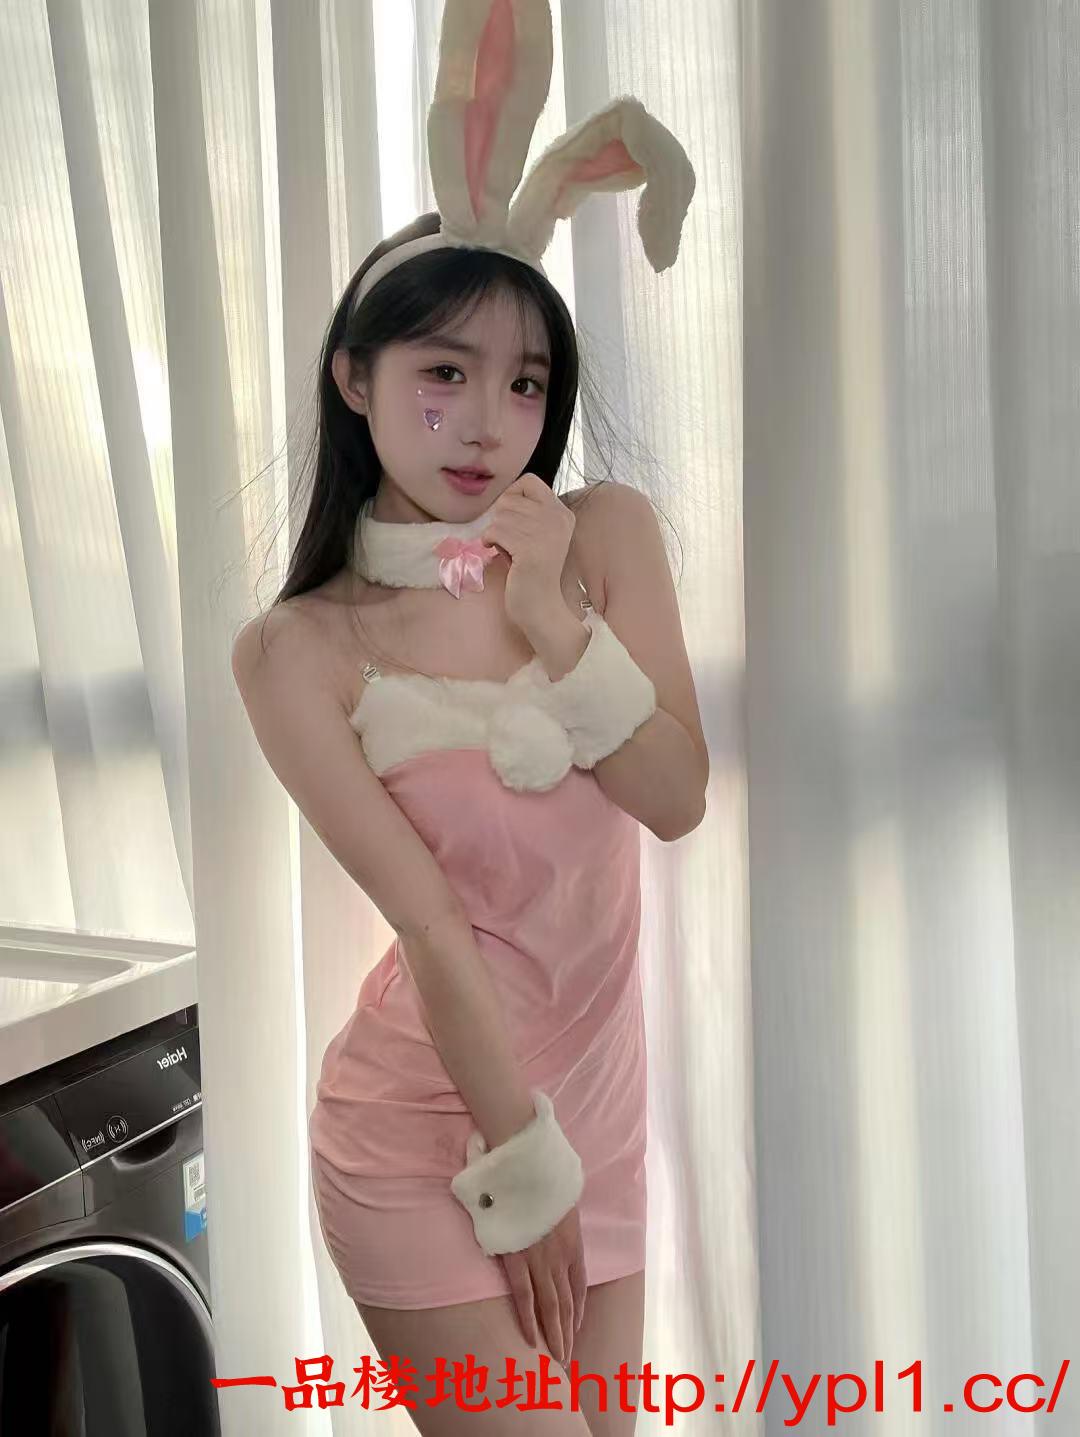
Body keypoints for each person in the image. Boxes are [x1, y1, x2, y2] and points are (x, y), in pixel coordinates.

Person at [232, 2, 705, 1431]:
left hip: (598, 1109)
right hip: (430, 1131)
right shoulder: (298, 650)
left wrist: (555, 618)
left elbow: (675, 795)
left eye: (525, 382)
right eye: (443, 372)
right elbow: (433, 926)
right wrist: (522, 1173)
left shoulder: (604, 535)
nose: (491, 422)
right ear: (354, 377)